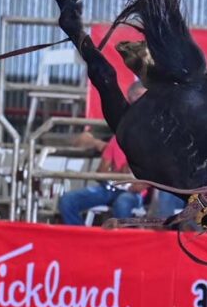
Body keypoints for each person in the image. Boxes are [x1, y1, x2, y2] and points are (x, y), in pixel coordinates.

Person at [58, 82, 148, 225]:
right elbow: (100, 171)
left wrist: (139, 182)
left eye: (145, 97)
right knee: (67, 200)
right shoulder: (116, 132)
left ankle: (120, 239)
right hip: (108, 188)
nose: (141, 102)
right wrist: (97, 144)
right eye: (137, 96)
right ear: (129, 99)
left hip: (132, 192)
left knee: (123, 203)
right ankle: (81, 237)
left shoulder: (155, 133)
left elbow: (154, 173)